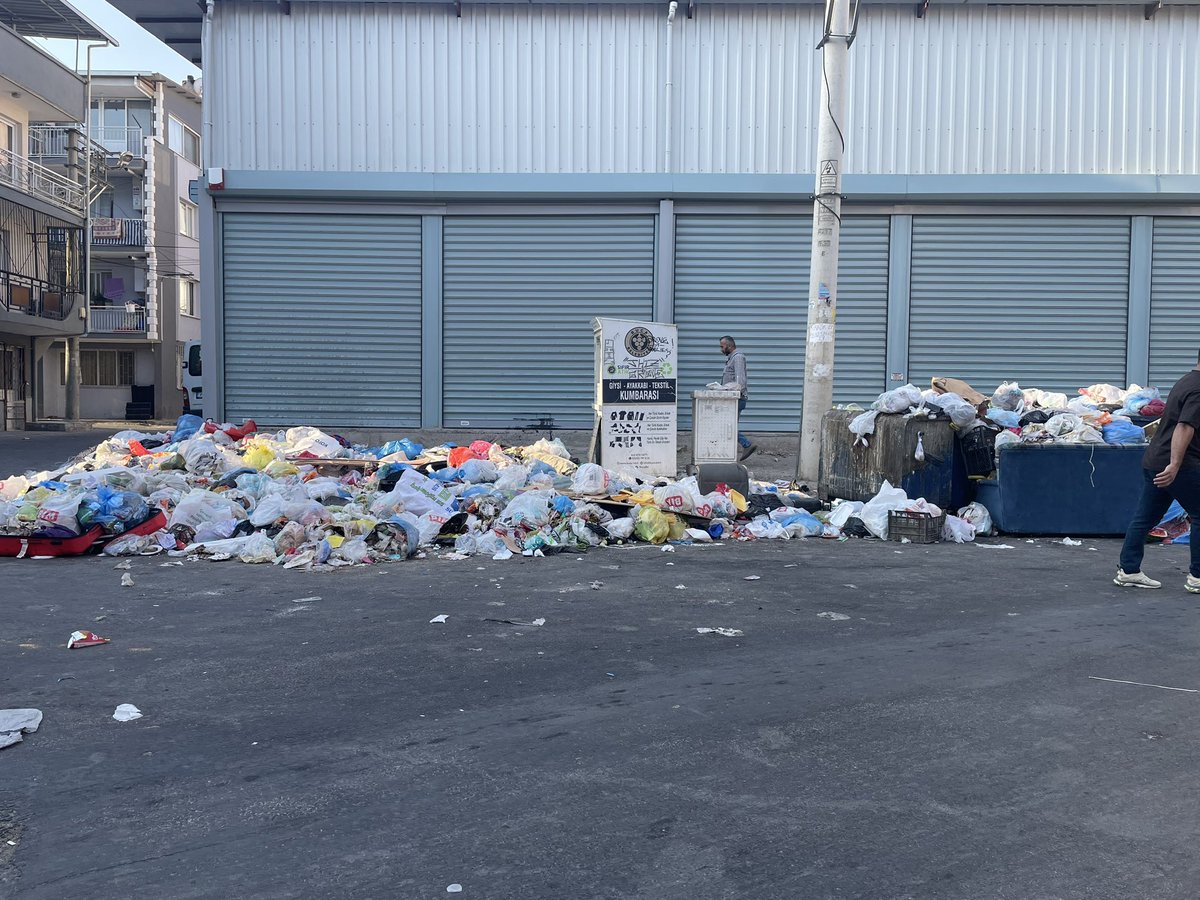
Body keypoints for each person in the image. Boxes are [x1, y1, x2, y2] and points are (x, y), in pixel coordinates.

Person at [1115, 350, 1200, 592]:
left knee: (1146, 517)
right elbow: (1184, 427)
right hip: (1178, 464)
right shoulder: (1198, 389)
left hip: (1155, 459)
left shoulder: (1186, 381)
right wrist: (1174, 464)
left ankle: (1128, 570)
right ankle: (1197, 577)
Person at [718, 335, 756, 461]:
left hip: (736, 399)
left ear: (729, 346)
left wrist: (733, 393)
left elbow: (741, 381)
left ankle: (746, 444)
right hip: (732, 398)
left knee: (727, 425)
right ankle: (728, 453)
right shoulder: (732, 358)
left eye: (722, 347)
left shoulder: (738, 357)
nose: (721, 349)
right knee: (727, 425)